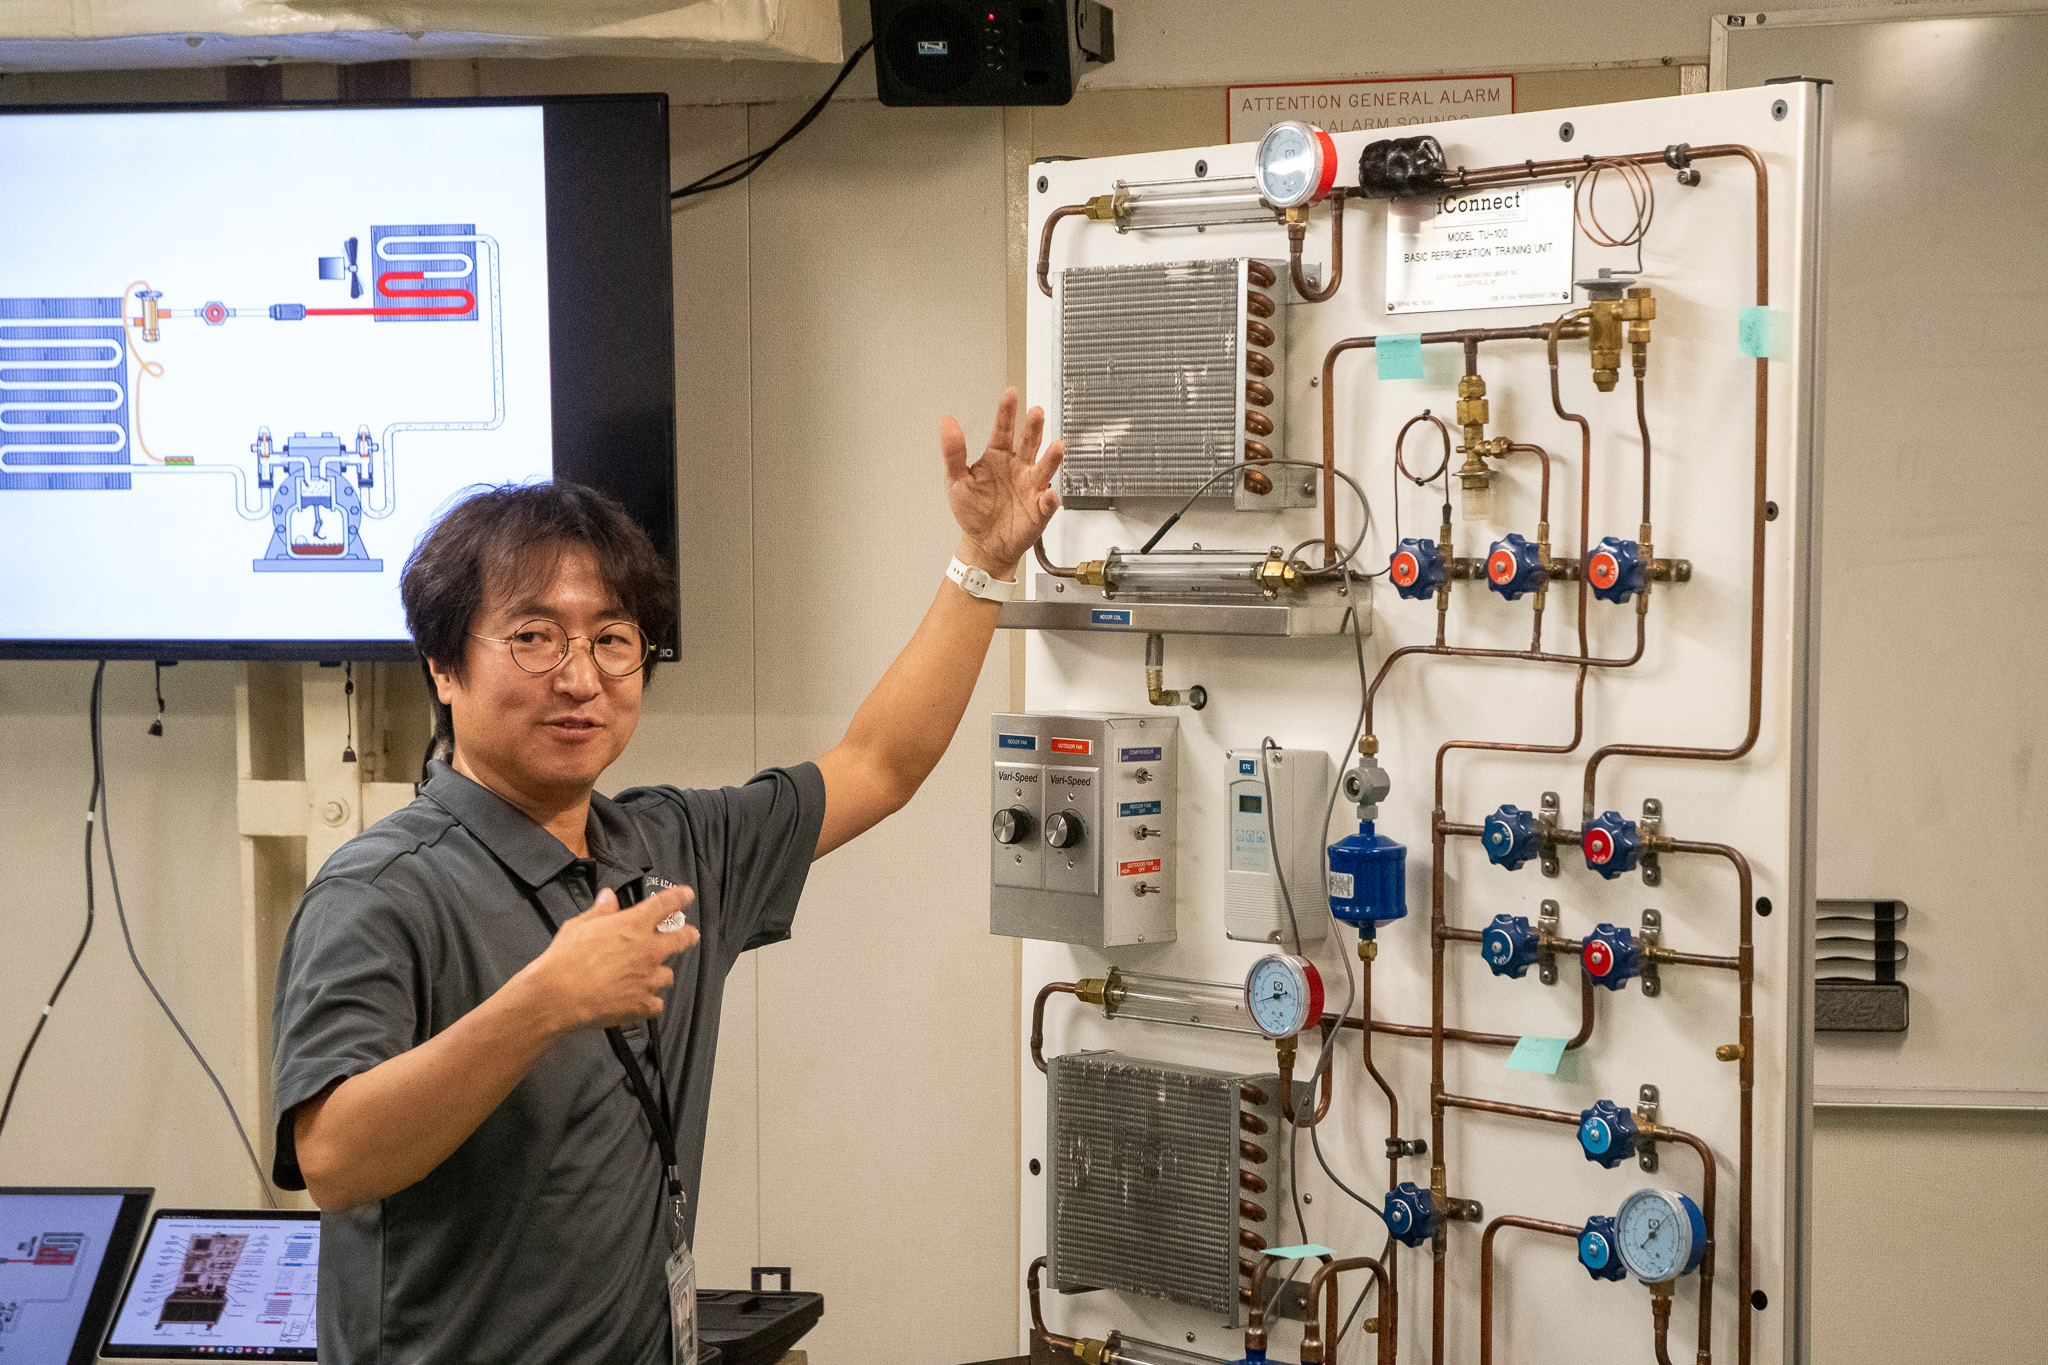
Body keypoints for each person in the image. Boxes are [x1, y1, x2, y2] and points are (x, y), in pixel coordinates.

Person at [269, 390, 1063, 1364]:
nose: (579, 677)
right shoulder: (381, 890)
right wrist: (541, 1003)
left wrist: (980, 564)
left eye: (612, 639)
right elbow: (337, 1162)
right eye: (532, 636)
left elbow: (878, 764)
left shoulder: (672, 846)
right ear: (441, 664)